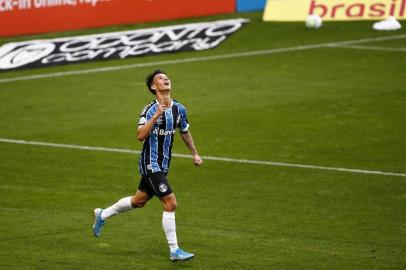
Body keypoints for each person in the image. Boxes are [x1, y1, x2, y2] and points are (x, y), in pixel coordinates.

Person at [92, 69, 203, 262]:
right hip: (150, 164)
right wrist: (155, 117)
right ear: (154, 87)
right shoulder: (149, 110)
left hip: (163, 165)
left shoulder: (179, 109)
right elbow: (140, 136)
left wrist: (195, 153)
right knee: (170, 203)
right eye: (160, 78)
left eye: (166, 77)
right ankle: (174, 251)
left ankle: (103, 214)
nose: (165, 79)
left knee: (139, 201)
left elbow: (184, 132)